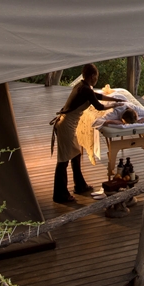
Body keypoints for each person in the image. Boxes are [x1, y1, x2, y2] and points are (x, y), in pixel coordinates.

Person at [50, 63, 119, 202]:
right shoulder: (85, 89)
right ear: (92, 76)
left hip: (66, 123)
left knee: (76, 154)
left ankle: (80, 186)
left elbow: (96, 96)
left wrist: (114, 98)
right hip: (65, 125)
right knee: (63, 161)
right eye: (96, 77)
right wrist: (115, 104)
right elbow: (98, 106)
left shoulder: (82, 86)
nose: (96, 79)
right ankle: (60, 195)